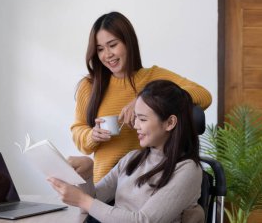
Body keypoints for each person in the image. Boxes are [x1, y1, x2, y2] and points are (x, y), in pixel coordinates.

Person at [71, 11, 212, 183]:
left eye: (113, 45)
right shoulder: (89, 85)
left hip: (146, 186)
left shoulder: (153, 77)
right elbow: (78, 129)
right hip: (104, 186)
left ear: (128, 42)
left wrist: (142, 102)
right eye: (100, 49)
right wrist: (92, 136)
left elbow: (204, 95)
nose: (107, 55)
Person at [49, 80, 204, 223]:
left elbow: (143, 220)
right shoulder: (132, 159)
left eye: (142, 119)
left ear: (170, 122)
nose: (136, 125)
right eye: (135, 118)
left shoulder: (188, 170)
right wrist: (87, 174)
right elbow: (91, 203)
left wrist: (82, 200)